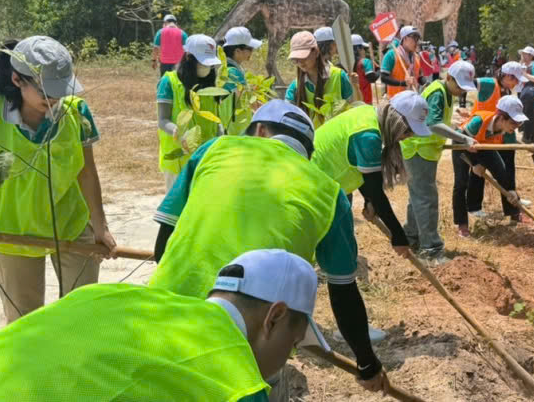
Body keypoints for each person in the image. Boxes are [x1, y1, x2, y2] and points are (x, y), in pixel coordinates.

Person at [150, 100, 392, 393]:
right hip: (250, 346)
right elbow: (343, 292)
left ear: (260, 130)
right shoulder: (330, 193)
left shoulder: (214, 149)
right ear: (307, 153)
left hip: (162, 315)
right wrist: (367, 362)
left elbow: (162, 246)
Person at [0, 248, 331, 402]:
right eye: (293, 344)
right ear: (274, 317)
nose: (286, 360)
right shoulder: (237, 386)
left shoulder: (107, 295)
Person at [0, 37, 115, 324]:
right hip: (14, 228)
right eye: (46, 92)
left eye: (60, 91)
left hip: (72, 225)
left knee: (83, 317)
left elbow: (86, 171)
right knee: (25, 323)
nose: (54, 100)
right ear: (17, 80)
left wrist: (100, 225)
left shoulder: (76, 113)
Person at [311, 91, 433, 256]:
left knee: (344, 249)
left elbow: (365, 177)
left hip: (326, 187)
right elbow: (375, 190)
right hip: (313, 188)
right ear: (397, 120)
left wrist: (369, 202)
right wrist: (398, 235)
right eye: (408, 131)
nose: (408, 136)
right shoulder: (368, 136)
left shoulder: (369, 115)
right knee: (339, 253)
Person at [399, 60, 479, 264]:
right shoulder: (438, 92)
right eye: (459, 86)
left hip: (422, 149)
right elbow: (433, 124)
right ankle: (431, 250)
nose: (461, 91)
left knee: (417, 196)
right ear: (449, 78)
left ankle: (412, 236)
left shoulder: (445, 92)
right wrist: (463, 138)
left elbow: (437, 120)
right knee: (426, 198)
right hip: (419, 149)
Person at [157, 34, 225, 191]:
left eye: (209, 64)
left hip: (206, 156)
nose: (206, 67)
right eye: (201, 62)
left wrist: (220, 131)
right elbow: (162, 120)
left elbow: (213, 116)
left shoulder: (210, 85)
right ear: (188, 57)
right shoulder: (169, 82)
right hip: (179, 161)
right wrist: (177, 131)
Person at [452, 95, 526, 237]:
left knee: (502, 174)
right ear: (501, 118)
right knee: (461, 183)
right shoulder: (479, 122)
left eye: (519, 124)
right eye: (514, 123)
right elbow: (461, 142)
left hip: (483, 146)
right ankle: (462, 225)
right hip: (460, 145)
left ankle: (514, 213)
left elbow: (509, 163)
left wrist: (510, 189)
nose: (516, 127)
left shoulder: (508, 133)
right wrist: (474, 164)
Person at [285, 31, 354, 128]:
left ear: (316, 52)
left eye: (303, 57)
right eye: (296, 59)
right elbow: (288, 118)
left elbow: (353, 108)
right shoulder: (295, 87)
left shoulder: (339, 76)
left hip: (339, 139)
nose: (300, 62)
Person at [381, 26, 424, 98]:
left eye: (418, 38)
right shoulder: (391, 55)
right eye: (414, 38)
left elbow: (419, 77)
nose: (416, 41)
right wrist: (403, 83)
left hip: (413, 99)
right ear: (405, 38)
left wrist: (426, 83)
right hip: (396, 101)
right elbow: (383, 77)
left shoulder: (416, 57)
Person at [223, 26, 263, 94]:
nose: (252, 52)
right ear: (237, 51)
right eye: (250, 49)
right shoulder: (233, 73)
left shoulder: (228, 68)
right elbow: (243, 100)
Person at [518, 46, 534, 143]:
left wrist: (525, 74)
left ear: (530, 56)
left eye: (525, 54)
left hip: (532, 93)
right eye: (523, 54)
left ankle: (530, 137)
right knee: (525, 113)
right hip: (525, 92)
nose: (523, 56)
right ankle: (527, 135)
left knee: (530, 115)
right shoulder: (523, 65)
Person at [351, 34, 379, 104]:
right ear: (358, 49)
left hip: (352, 102)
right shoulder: (365, 62)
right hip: (365, 102)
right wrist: (379, 69)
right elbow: (372, 78)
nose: (364, 51)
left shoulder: (346, 64)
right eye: (363, 48)